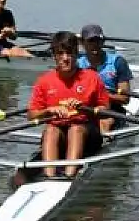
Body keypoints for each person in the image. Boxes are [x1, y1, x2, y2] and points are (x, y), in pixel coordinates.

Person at [27, 31, 111, 179]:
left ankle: (69, 176)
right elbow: (32, 115)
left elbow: (106, 111)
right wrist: (48, 111)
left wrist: (85, 107)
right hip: (58, 133)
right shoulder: (44, 81)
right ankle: (49, 177)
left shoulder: (91, 77)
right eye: (61, 54)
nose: (66, 58)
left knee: (75, 129)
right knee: (51, 129)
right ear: (54, 56)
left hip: (87, 133)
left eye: (70, 53)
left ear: (76, 54)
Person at [77, 24, 133, 134]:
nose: (95, 44)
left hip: (112, 109)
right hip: (85, 107)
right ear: (82, 43)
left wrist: (101, 95)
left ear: (103, 42)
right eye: (91, 41)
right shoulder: (77, 63)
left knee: (104, 122)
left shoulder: (117, 62)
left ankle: (103, 144)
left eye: (98, 40)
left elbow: (125, 99)